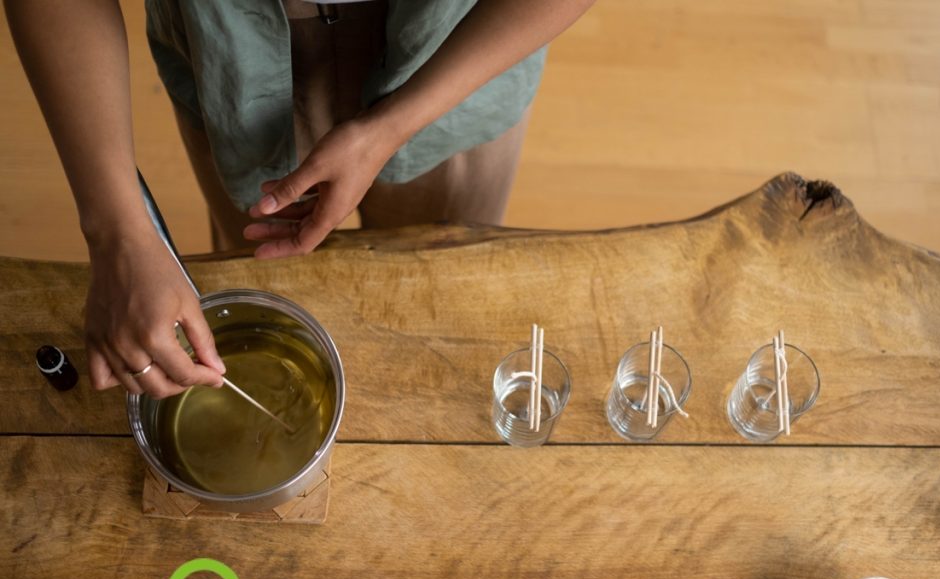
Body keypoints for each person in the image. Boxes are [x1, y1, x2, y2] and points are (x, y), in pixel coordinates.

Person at [4, 0, 593, 398]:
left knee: (441, 294)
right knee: (260, 296)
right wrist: (117, 234)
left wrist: (391, 126)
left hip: (461, 42)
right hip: (230, 53)